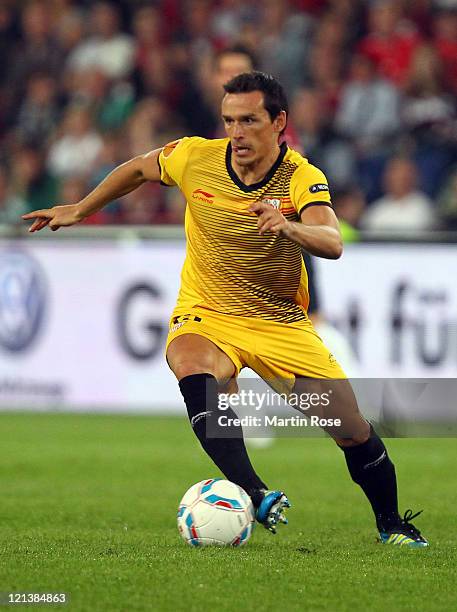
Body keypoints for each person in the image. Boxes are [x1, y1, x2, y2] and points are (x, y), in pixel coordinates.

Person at [22, 71, 428, 547]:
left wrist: (288, 227)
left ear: (279, 122)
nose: (236, 132)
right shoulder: (196, 156)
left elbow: (332, 241)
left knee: (351, 429)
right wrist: (81, 208)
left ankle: (392, 524)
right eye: (229, 120)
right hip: (208, 309)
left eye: (249, 120)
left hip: (278, 323)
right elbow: (138, 168)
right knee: (190, 362)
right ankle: (254, 492)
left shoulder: (301, 177)